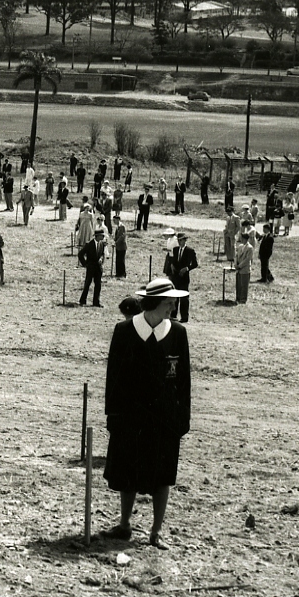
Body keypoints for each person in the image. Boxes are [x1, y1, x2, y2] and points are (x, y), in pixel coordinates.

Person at [102, 277, 192, 549]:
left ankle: (156, 532)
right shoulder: (124, 331)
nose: (173, 308)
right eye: (169, 302)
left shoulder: (178, 334)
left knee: (162, 474)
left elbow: (184, 381)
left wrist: (183, 419)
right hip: (130, 417)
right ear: (154, 303)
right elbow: (113, 378)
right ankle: (124, 524)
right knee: (128, 472)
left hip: (164, 420)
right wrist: (112, 415)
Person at [163, 232, 198, 323]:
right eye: (178, 240)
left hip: (184, 277)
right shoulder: (175, 249)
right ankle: (173, 315)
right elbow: (173, 260)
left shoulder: (190, 251)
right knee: (175, 296)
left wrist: (186, 268)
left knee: (184, 297)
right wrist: (172, 266)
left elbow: (195, 264)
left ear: (184, 240)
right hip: (175, 276)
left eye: (181, 240)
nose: (179, 242)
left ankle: (184, 317)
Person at [78, 227, 106, 307]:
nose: (103, 237)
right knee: (87, 284)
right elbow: (80, 254)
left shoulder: (102, 244)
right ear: (97, 236)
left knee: (98, 285)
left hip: (98, 268)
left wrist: (101, 259)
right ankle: (82, 301)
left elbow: (102, 254)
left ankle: (96, 302)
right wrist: (85, 264)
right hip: (90, 267)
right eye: (102, 235)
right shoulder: (89, 244)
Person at [233, 230, 253, 304]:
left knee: (244, 285)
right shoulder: (240, 246)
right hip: (238, 269)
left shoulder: (250, 248)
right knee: (238, 284)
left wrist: (240, 266)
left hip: (245, 269)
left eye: (243, 238)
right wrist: (235, 264)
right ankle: (238, 298)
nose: (242, 240)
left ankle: (243, 299)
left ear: (246, 239)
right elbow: (236, 256)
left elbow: (247, 259)